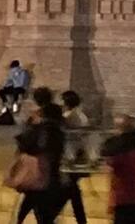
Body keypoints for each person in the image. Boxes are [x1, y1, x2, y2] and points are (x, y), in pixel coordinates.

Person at [14, 87, 64, 224]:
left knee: (34, 199)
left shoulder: (37, 120)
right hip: (53, 167)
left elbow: (31, 142)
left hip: (40, 166)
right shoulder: (58, 115)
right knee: (41, 204)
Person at [59, 90, 89, 224]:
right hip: (77, 155)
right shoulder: (82, 116)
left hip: (70, 156)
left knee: (69, 190)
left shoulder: (68, 117)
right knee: (72, 191)